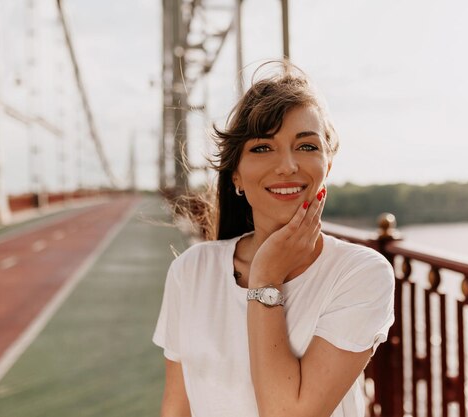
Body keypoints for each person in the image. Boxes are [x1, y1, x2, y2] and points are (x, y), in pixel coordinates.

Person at [153, 61, 395, 417]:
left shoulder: (360, 274)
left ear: (326, 167)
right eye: (263, 148)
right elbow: (177, 408)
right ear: (236, 174)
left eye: (307, 146)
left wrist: (266, 277)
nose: (287, 166)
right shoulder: (191, 271)